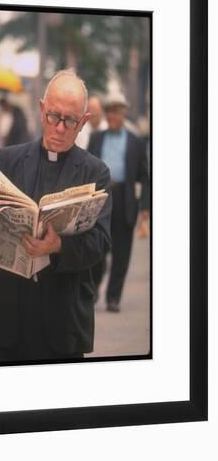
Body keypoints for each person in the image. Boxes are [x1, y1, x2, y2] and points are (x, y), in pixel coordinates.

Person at [0, 69, 112, 364]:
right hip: (3, 319)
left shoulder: (95, 172)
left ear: (84, 122)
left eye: (70, 120)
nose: (60, 128)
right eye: (54, 116)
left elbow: (100, 243)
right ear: (41, 110)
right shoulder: (8, 159)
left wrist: (58, 246)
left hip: (61, 324)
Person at [87, 92, 149, 312]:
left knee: (122, 253)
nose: (113, 115)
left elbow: (145, 176)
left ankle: (113, 297)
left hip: (125, 200)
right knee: (96, 248)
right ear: (106, 113)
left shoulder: (136, 142)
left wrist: (144, 208)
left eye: (118, 112)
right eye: (110, 111)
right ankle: (93, 290)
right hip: (100, 198)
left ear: (124, 115)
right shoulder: (96, 137)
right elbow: (86, 168)